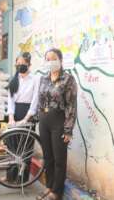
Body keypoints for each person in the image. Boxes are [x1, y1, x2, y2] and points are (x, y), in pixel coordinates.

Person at [36, 48, 77, 200]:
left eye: (53, 58)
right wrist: (36, 116)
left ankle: (57, 192)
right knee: (48, 157)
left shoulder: (68, 79)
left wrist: (68, 130)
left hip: (58, 121)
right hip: (44, 121)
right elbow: (40, 100)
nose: (50, 61)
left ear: (60, 60)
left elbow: (71, 106)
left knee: (59, 158)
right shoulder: (43, 78)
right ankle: (49, 186)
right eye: (47, 59)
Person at [5, 52, 40, 183]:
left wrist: (26, 119)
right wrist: (11, 118)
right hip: (14, 113)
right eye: (18, 64)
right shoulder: (14, 80)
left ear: (29, 64)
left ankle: (22, 178)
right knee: (12, 147)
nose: (20, 66)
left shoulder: (35, 79)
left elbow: (35, 100)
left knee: (26, 147)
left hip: (28, 114)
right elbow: (10, 101)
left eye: (23, 64)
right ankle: (10, 176)